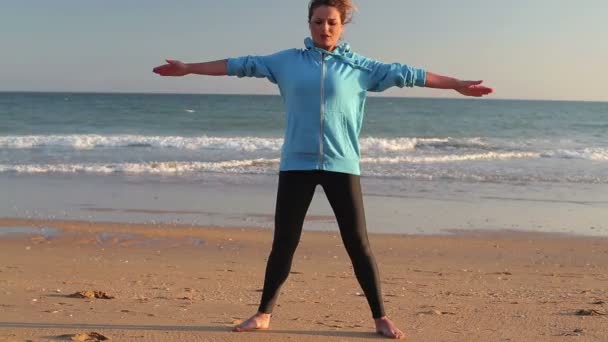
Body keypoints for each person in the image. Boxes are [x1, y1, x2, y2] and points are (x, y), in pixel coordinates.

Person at [153, 0, 492, 339]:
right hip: (296, 164)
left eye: (331, 22)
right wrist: (189, 68)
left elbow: (411, 74)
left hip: (341, 164)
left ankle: (381, 317)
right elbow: (239, 65)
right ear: (309, 23)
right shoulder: (286, 62)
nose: (324, 29)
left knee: (357, 242)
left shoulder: (361, 67)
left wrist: (456, 83)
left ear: (342, 25)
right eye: (317, 22)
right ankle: (263, 314)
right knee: (284, 241)